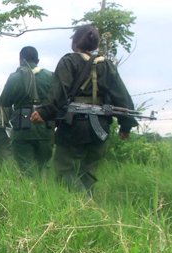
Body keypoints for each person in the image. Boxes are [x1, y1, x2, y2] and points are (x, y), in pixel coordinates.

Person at [31, 24, 137, 193]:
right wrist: (126, 125)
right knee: (88, 172)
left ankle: (81, 205)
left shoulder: (69, 61)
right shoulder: (106, 65)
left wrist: (43, 112)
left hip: (74, 127)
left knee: (65, 170)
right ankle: (87, 205)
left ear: (75, 43)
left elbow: (58, 93)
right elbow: (122, 97)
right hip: (100, 127)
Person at [0, 46, 54, 177]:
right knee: (43, 167)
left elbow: (4, 101)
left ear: (21, 60)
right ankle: (44, 194)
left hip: (22, 128)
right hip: (45, 128)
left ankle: (30, 194)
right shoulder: (51, 76)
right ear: (38, 60)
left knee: (26, 169)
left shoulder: (15, 77)